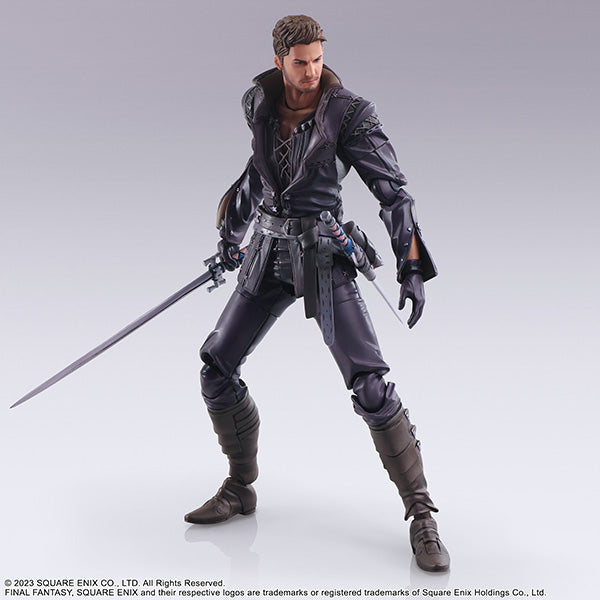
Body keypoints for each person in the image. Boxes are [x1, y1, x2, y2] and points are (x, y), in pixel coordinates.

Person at [184, 15, 450, 573]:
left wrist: (411, 264)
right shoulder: (258, 104)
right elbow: (259, 173)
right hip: (265, 255)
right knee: (216, 368)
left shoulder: (348, 114)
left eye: (318, 59)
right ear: (279, 61)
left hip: (323, 255)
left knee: (370, 386)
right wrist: (230, 235)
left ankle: (422, 514)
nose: (311, 72)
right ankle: (240, 487)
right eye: (300, 62)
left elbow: (393, 193)